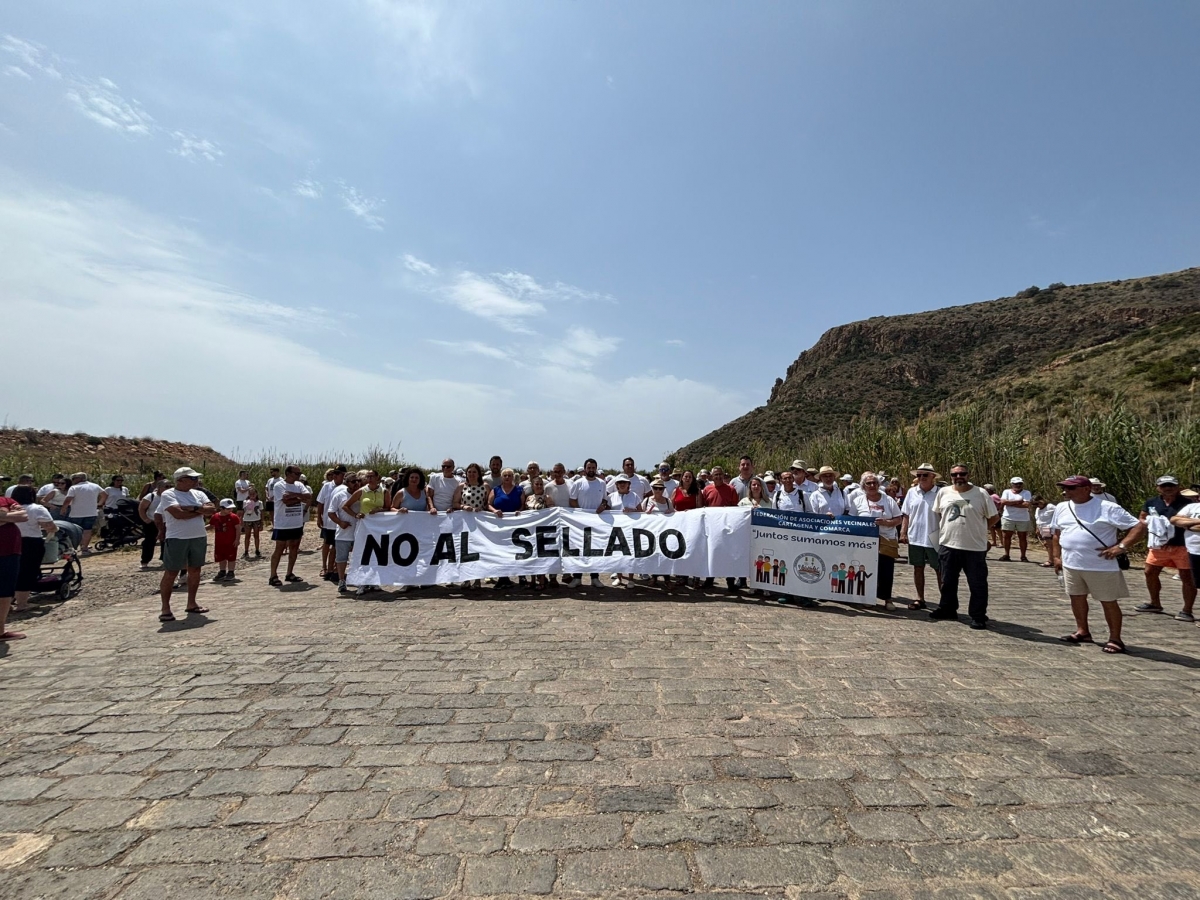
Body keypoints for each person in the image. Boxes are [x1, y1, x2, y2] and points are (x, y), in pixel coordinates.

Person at [1053, 475, 1148, 653]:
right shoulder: (1061, 507)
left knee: (1108, 601)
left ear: (1086, 489)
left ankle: (1115, 638)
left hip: (1100, 564)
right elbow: (1057, 532)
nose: (1066, 491)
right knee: (1076, 597)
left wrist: (1121, 547)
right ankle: (1082, 631)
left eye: (1071, 488)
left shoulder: (1107, 507)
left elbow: (1138, 526)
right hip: (1072, 563)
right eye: (1064, 488)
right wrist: (1056, 557)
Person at [929, 463, 998, 629]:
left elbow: (994, 517)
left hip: (974, 547)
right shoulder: (943, 492)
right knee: (947, 581)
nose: (958, 477)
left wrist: (980, 530)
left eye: (962, 474)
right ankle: (948, 609)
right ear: (950, 476)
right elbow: (938, 513)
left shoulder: (981, 493)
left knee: (977, 583)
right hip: (948, 544)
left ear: (968, 475)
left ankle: (978, 615)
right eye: (955, 474)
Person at [157, 467, 215, 621]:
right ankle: (165, 608)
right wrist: (200, 511)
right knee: (172, 572)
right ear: (180, 480)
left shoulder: (199, 493)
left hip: (198, 536)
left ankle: (191, 603)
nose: (195, 481)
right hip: (177, 538)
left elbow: (212, 510)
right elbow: (178, 514)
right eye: (192, 478)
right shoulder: (169, 494)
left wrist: (195, 508)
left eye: (195, 478)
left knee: (195, 569)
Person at [1137, 475, 1196, 620]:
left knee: (1187, 577)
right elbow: (1142, 518)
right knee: (1149, 572)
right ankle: (1154, 603)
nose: (1168, 488)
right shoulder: (1152, 502)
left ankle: (1187, 610)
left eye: (1171, 485)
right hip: (1159, 545)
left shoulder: (1187, 503)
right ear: (1158, 488)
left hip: (1181, 544)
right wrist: (1152, 523)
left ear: (1178, 487)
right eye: (1164, 486)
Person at [849, 473, 903, 610]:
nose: (872, 486)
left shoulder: (889, 500)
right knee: (866, 569)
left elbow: (899, 519)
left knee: (886, 570)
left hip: (886, 540)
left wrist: (886, 522)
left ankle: (887, 599)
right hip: (865, 542)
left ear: (879, 485)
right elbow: (851, 520)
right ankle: (868, 596)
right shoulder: (858, 501)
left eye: (874, 483)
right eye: (869, 483)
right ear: (863, 486)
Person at [900, 463, 942, 611]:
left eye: (925, 475)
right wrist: (903, 532)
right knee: (918, 568)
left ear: (933, 477)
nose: (921, 478)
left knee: (940, 569)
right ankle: (920, 598)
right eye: (919, 475)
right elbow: (906, 514)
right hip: (915, 535)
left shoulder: (940, 493)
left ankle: (944, 601)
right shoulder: (912, 492)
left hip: (935, 535)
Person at [9, 485, 56, 615]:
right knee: (27, 572)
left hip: (10, 541)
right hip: (30, 542)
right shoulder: (36, 509)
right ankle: (22, 603)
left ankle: (8, 601)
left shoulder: (8, 509)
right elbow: (50, 526)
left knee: (9, 572)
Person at [269, 465, 311, 587]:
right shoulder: (279, 486)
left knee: (294, 547)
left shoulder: (299, 485)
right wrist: (299, 497)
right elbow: (285, 501)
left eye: (299, 473)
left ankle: (289, 573)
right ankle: (273, 575)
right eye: (296, 473)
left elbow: (308, 497)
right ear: (288, 473)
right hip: (283, 523)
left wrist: (293, 495)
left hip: (296, 522)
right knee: (280, 548)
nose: (298, 475)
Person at [569, 459, 609, 588]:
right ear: (585, 469)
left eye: (593, 468)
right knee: (579, 550)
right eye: (589, 467)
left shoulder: (602, 484)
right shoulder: (578, 483)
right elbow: (572, 501)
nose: (591, 470)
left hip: (597, 522)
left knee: (595, 550)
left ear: (596, 469)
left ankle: (595, 577)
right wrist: (582, 513)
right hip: (580, 522)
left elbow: (605, 499)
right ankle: (577, 577)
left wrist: (603, 506)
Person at [0, 493, 29, 641]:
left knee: (5, 591)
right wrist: (9, 515)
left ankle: (0, 631)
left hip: (9, 551)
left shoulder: (6, 500)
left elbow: (24, 516)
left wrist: (3, 516)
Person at [327, 471, 357, 593]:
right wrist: (340, 522)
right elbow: (331, 512)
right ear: (347, 482)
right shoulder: (339, 495)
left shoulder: (361, 495)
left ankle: (358, 580)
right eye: (353, 481)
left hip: (359, 533)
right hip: (343, 533)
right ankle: (341, 580)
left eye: (358, 481)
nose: (356, 484)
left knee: (358, 557)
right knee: (341, 558)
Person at [315, 465, 347, 581]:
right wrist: (319, 517)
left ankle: (333, 567)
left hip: (340, 522)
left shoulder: (346, 487)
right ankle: (324, 566)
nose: (340, 476)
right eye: (338, 474)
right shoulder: (327, 486)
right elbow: (320, 503)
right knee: (326, 544)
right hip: (329, 521)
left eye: (342, 474)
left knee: (336, 546)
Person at [60, 472, 103, 553]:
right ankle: (85, 548)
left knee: (76, 530)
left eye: (73, 479)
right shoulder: (95, 486)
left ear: (79, 479)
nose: (72, 481)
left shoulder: (74, 488)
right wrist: (100, 503)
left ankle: (77, 546)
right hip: (91, 512)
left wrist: (63, 509)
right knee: (87, 530)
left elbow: (68, 499)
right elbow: (104, 494)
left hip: (76, 513)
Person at [998, 477, 1033, 562]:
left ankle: (1023, 556)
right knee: (1006, 536)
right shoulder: (1006, 491)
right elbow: (1003, 502)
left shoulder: (1026, 492)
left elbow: (1026, 504)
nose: (1018, 485)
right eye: (1016, 484)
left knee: (1023, 537)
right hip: (1008, 517)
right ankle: (1006, 554)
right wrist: (1018, 502)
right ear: (1012, 484)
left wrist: (1010, 503)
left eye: (1020, 484)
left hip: (1023, 518)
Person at [137, 476, 168, 569]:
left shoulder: (169, 497)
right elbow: (141, 508)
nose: (169, 489)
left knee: (166, 542)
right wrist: (146, 519)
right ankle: (145, 561)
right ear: (159, 487)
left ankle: (165, 560)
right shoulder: (151, 496)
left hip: (166, 522)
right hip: (152, 522)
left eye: (170, 486)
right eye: (166, 486)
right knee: (149, 542)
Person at [210, 499, 242, 581]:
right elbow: (211, 525)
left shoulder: (234, 517)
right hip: (219, 542)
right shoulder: (216, 517)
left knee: (231, 557)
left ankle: (231, 571)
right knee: (221, 557)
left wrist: (237, 539)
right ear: (222, 508)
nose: (230, 510)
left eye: (231, 508)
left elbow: (238, 529)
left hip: (231, 541)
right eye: (228, 509)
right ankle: (222, 571)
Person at [241, 488, 263, 559]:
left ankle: (257, 550)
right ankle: (246, 551)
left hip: (256, 520)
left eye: (253, 494)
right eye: (250, 494)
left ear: (256, 494)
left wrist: (261, 522)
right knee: (247, 536)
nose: (252, 495)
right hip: (247, 520)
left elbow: (262, 513)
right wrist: (242, 521)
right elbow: (243, 511)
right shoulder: (245, 502)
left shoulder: (259, 502)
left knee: (256, 536)